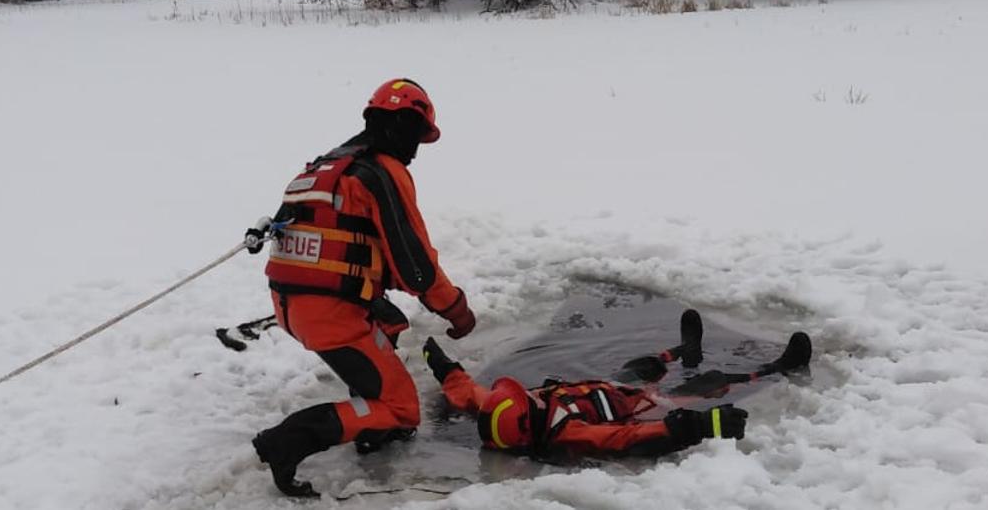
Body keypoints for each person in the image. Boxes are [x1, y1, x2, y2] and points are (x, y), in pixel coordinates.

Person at [249, 78, 478, 497]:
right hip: (331, 313)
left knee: (390, 322)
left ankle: (373, 429)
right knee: (403, 409)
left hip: (293, 304)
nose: (414, 149)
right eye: (415, 135)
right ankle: (289, 441)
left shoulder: (322, 168)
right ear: (403, 126)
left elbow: (348, 244)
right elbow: (416, 268)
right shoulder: (381, 171)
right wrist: (456, 309)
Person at [419, 310, 765, 458]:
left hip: (607, 387)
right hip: (637, 408)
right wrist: (700, 425)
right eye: (530, 402)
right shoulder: (569, 433)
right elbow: (623, 437)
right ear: (528, 423)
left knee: (641, 366)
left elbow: (471, 394)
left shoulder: (503, 412)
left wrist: (442, 365)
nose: (530, 397)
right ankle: (767, 369)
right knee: (705, 385)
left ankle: (683, 352)